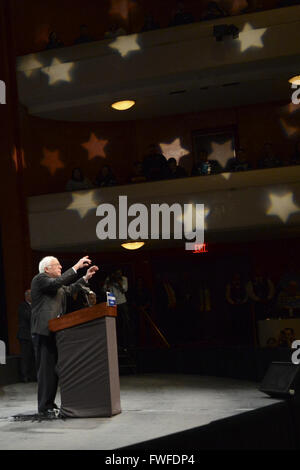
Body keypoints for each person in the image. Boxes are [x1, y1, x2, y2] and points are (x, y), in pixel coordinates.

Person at [31, 255, 98, 416]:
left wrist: (85, 277)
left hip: (55, 331)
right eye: (57, 265)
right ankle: (44, 407)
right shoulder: (41, 279)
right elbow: (58, 283)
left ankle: (49, 404)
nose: (60, 267)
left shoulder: (55, 285)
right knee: (45, 371)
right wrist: (76, 266)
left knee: (53, 370)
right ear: (47, 269)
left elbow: (69, 290)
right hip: (43, 331)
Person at [103, 269, 131, 350]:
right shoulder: (109, 279)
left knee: (126, 322)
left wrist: (118, 282)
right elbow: (104, 290)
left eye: (119, 273)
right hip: (112, 303)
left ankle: (127, 343)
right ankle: (116, 343)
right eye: (116, 273)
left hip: (122, 302)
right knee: (115, 323)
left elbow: (125, 289)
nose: (118, 274)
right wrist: (109, 283)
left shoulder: (124, 279)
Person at [17, 290, 36, 382]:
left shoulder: (34, 306)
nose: (33, 296)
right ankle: (25, 376)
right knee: (26, 357)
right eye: (31, 295)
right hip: (25, 336)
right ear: (27, 296)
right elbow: (28, 317)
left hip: (34, 335)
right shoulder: (22, 306)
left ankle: (33, 376)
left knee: (34, 357)